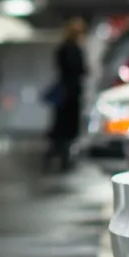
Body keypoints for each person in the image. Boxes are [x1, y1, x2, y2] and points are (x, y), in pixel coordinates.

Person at [44, 17, 87, 171]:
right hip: (71, 93)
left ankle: (55, 156)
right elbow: (80, 69)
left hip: (65, 92)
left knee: (61, 127)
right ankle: (62, 159)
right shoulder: (73, 49)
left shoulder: (63, 48)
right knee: (66, 128)